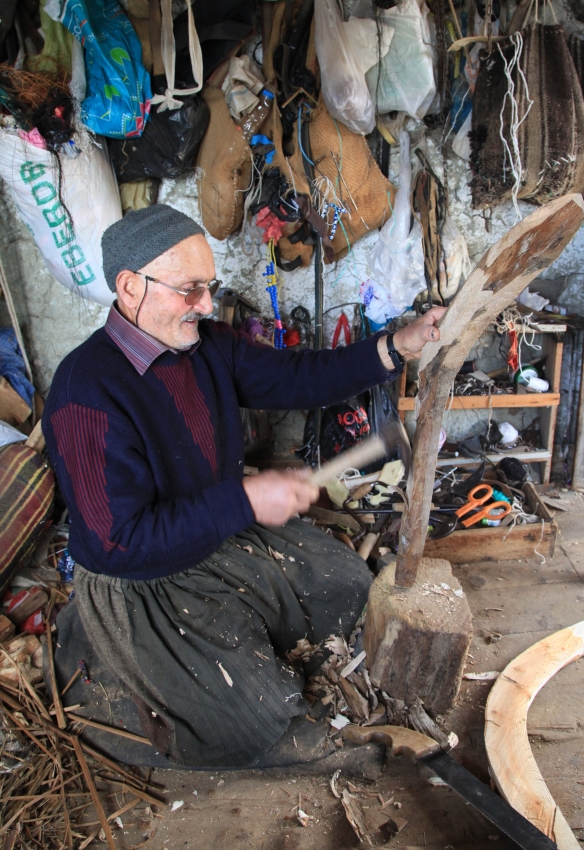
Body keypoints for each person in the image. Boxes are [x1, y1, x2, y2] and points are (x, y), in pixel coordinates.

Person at [43, 205, 444, 769]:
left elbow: (294, 377)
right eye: (189, 290)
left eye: (209, 287)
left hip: (215, 532)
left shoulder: (206, 344)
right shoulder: (85, 392)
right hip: (142, 582)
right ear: (130, 287)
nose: (206, 305)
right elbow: (120, 544)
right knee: (254, 714)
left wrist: (393, 347)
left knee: (347, 582)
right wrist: (248, 499)